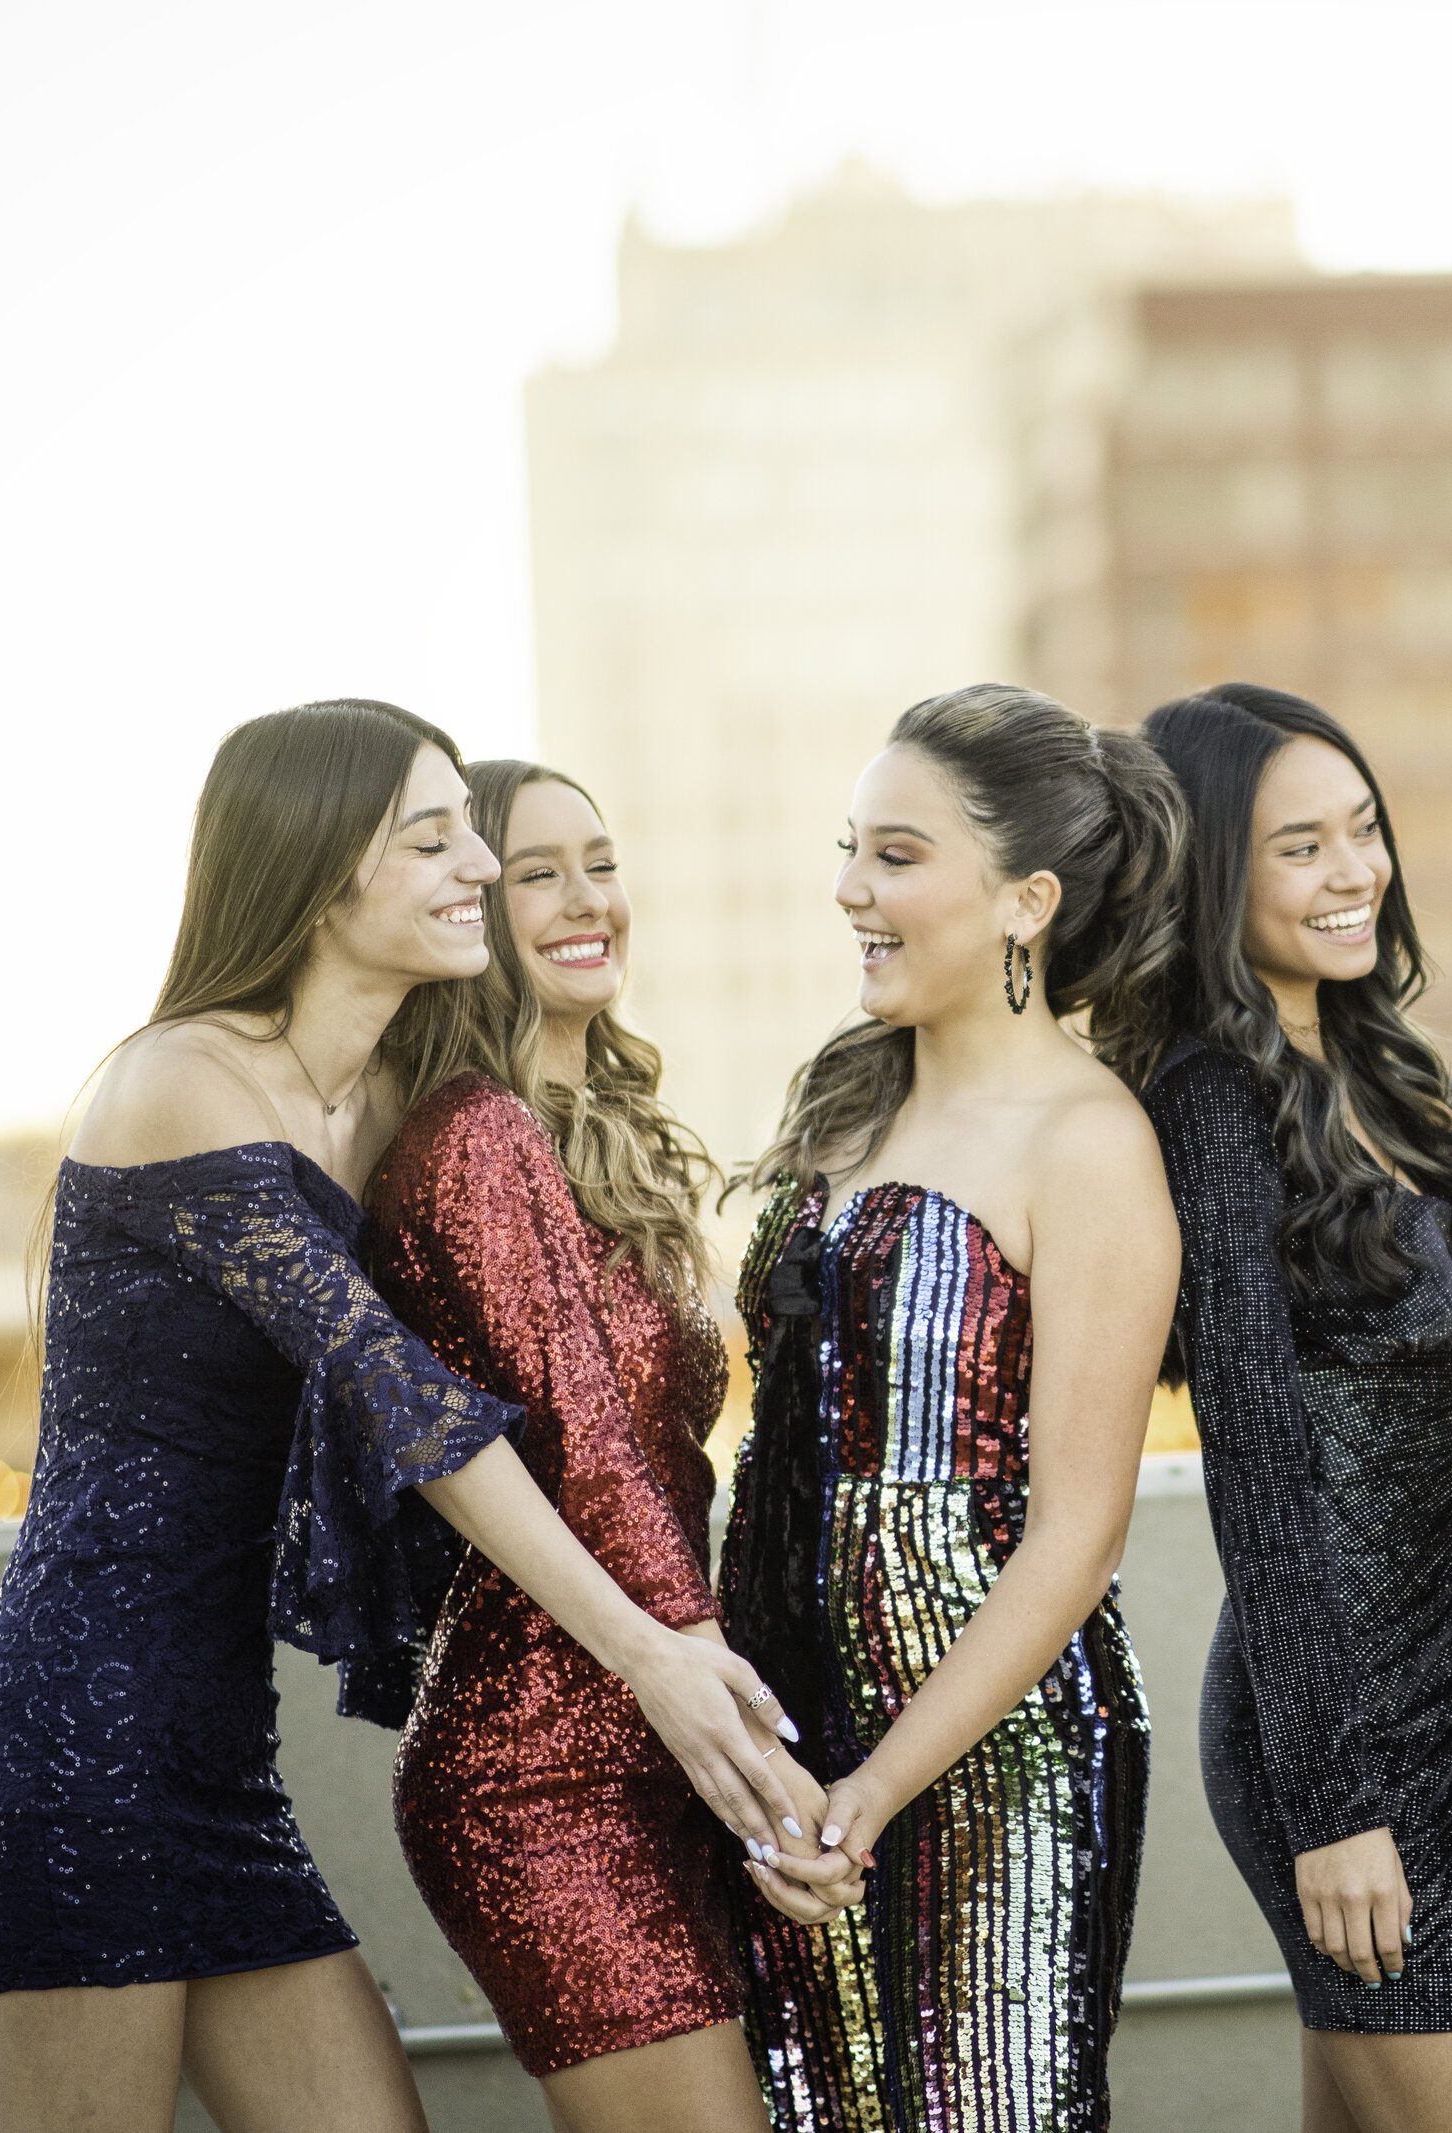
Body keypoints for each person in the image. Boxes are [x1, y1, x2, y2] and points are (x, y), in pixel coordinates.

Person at [0, 702, 817, 2133]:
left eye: (473, 828)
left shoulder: (383, 1102)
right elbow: (409, 1402)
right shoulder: (183, 1082)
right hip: (72, 1758)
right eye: (435, 836)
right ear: (324, 870)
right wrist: (649, 1647)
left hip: (220, 1769)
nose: (477, 863)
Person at [1127, 683, 1452, 2133]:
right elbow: (1256, 1464)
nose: (1356, 869)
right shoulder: (1207, 1102)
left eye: (1363, 829)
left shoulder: (1383, 1066)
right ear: (1212, 872)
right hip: (1346, 1737)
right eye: (1302, 846)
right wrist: (1334, 1802)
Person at [366, 758, 859, 2133]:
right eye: (538, 873)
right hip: (545, 1770)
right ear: (472, 905)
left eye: (602, 860)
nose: (589, 899)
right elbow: (595, 1464)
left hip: (667, 1731)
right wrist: (754, 1750)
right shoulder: (474, 1135)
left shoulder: (604, 1137)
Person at [718, 683, 1184, 2132]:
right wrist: (790, 1777)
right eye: (851, 847)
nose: (851, 889)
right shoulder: (846, 1106)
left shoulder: (1093, 1139)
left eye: (899, 855)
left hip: (999, 1764)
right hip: (802, 1754)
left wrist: (872, 1789)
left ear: (1026, 901)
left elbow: (1077, 1536)